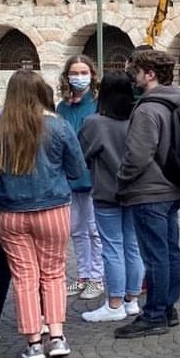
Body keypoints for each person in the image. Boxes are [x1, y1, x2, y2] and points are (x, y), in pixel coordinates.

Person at [0, 71, 85, 358]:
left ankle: (33, 342)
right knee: (53, 273)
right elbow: (77, 170)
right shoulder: (59, 127)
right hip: (52, 208)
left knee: (24, 277)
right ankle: (57, 335)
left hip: (11, 212)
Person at [114, 48, 180, 339]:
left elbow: (138, 155)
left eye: (135, 71)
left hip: (148, 190)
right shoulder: (176, 102)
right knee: (170, 251)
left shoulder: (148, 108)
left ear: (150, 74)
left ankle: (155, 313)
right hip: (171, 186)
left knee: (156, 254)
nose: (131, 76)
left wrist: (121, 180)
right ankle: (168, 307)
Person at [77, 72, 144, 323]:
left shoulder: (95, 123)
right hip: (136, 190)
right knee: (132, 246)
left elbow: (81, 155)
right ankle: (132, 300)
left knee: (112, 247)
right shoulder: (138, 119)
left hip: (107, 191)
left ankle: (114, 303)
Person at [56, 54, 104, 304]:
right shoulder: (62, 106)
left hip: (94, 172)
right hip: (69, 175)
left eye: (84, 72)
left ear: (92, 75)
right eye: (74, 72)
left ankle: (97, 276)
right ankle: (83, 275)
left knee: (95, 229)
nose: (79, 77)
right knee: (75, 229)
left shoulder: (97, 103)